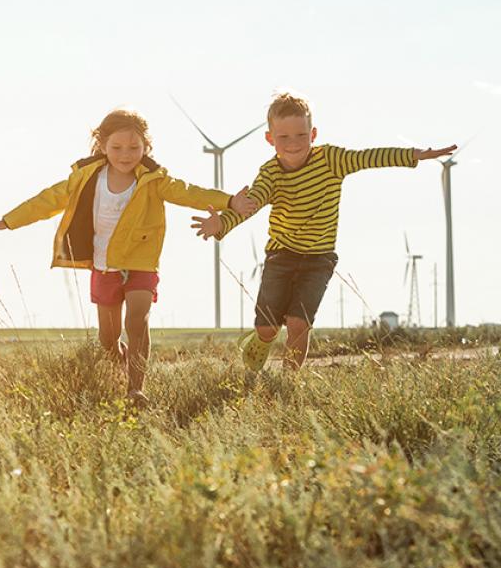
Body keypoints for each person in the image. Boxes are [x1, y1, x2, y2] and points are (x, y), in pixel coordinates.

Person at [0, 107, 256, 406]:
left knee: (137, 322)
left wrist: (229, 201)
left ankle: (136, 388)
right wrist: (10, 220)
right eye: (117, 148)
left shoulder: (154, 180)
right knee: (108, 341)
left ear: (146, 147)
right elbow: (47, 199)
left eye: (134, 148)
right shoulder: (86, 177)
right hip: (104, 265)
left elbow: (190, 192)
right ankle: (121, 362)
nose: (126, 155)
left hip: (141, 263)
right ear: (103, 147)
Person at [191, 92, 456, 371]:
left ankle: (290, 380)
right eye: (284, 137)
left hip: (319, 259)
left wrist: (414, 155)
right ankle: (261, 339)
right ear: (270, 139)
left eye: (300, 135)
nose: (293, 144)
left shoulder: (331, 159)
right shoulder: (270, 173)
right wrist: (221, 223)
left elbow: (369, 158)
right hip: (281, 255)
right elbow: (251, 203)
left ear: (313, 133)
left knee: (298, 323)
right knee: (267, 328)